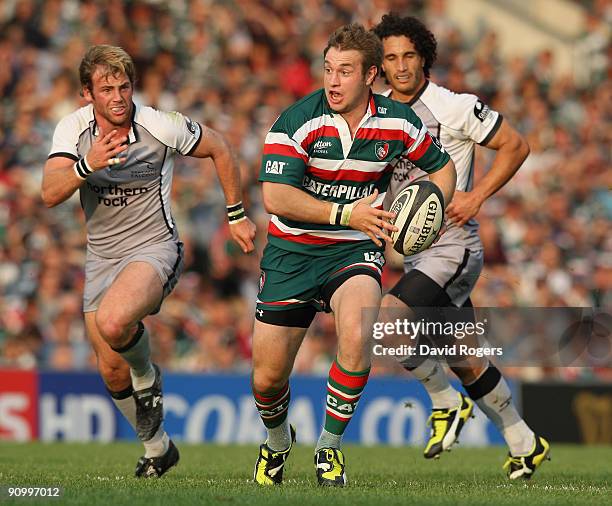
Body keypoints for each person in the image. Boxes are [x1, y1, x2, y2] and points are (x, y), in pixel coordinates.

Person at [251, 23, 456, 487]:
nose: (333, 80)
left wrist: (433, 210)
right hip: (291, 254)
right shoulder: (296, 121)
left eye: (345, 71)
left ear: (370, 75)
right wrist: (347, 213)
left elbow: (443, 169)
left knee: (360, 326)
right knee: (266, 381)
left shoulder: (399, 123)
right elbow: (276, 198)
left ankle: (329, 449)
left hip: (354, 253)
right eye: (328, 69)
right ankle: (279, 441)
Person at [41, 45, 256, 478]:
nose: (118, 96)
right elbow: (48, 193)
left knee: (115, 322)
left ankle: (147, 374)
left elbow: (221, 147)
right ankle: (158, 448)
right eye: (106, 89)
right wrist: (87, 164)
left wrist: (236, 215)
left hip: (155, 248)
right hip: (102, 256)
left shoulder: (159, 125)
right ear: (88, 94)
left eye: (124, 86)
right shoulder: (73, 130)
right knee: (110, 369)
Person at [372, 14, 549, 479]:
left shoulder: (453, 106)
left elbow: (515, 144)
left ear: (424, 57)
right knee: (464, 358)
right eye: (390, 58)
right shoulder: (379, 112)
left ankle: (444, 402)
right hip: (417, 252)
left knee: (388, 325)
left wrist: (477, 196)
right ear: (381, 65)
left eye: (409, 55)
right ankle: (523, 442)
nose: (401, 66)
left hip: (454, 247)